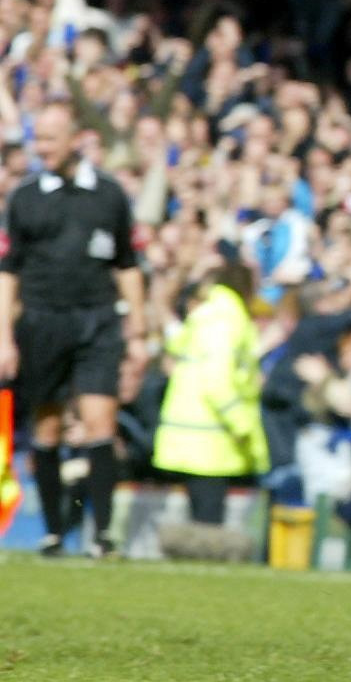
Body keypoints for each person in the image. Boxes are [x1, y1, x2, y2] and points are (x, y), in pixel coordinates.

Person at [0, 103, 148, 557]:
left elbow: (127, 265)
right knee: (46, 430)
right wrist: (4, 334)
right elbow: (9, 271)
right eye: (38, 139)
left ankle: (102, 535)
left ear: (75, 139)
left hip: (98, 319)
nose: (42, 148)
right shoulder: (24, 197)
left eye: (50, 138)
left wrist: (138, 331)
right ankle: (53, 532)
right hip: (43, 320)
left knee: (100, 421)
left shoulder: (108, 195)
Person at [152, 260, 269, 526]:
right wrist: (242, 425)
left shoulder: (206, 315)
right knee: (208, 523)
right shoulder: (229, 321)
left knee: (199, 516)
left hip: (190, 432)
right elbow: (218, 381)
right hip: (212, 437)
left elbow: (177, 343)